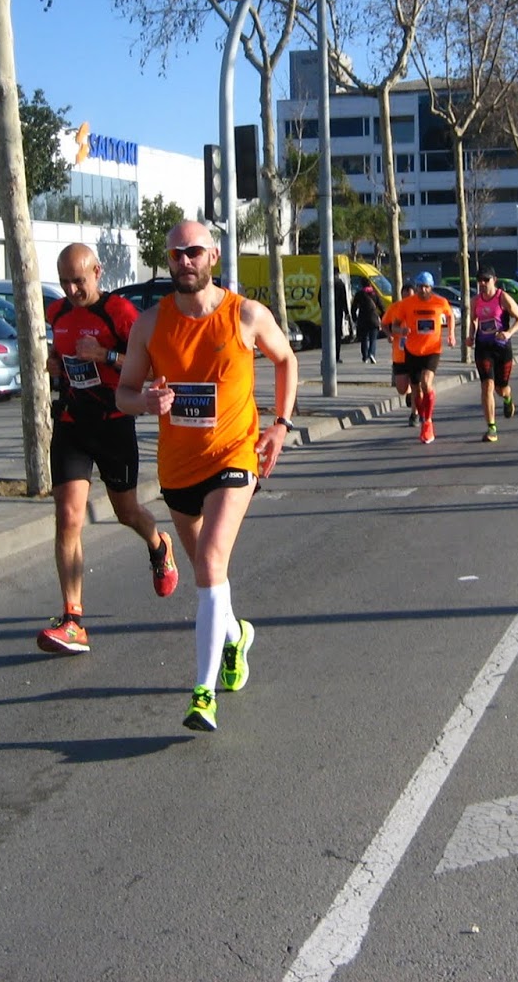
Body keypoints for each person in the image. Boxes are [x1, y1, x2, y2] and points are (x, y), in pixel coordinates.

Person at [114, 220, 298, 732]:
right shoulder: (149, 324)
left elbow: (286, 361)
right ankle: (237, 635)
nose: (183, 262)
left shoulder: (246, 315)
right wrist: (144, 401)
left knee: (212, 560)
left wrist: (280, 427)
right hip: (177, 469)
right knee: (206, 573)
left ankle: (202, 692)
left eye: (193, 252)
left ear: (213, 256)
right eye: (175, 254)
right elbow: (123, 393)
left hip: (235, 457)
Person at [38, 243, 178, 655]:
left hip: (114, 424)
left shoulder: (119, 313)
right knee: (67, 518)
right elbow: (58, 351)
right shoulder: (57, 313)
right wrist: (53, 363)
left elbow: (153, 367)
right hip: (72, 424)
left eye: (78, 280)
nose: (71, 289)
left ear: (97, 272)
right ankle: (73, 619)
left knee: (126, 512)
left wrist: (106, 355)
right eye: (64, 282)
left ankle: (159, 545)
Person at [383, 272, 456, 443]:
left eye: (426, 287)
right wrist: (401, 331)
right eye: (420, 287)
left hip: (432, 349)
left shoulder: (440, 302)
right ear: (416, 287)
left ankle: (428, 422)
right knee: (415, 388)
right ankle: (420, 414)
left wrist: (451, 334)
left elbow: (450, 315)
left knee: (426, 383)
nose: (423, 290)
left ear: (431, 287)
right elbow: (393, 325)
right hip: (412, 350)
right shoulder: (406, 304)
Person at [467, 266, 518, 442]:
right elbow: (473, 320)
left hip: (501, 347)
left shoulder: (503, 297)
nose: (483, 284)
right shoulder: (475, 301)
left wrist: (508, 333)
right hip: (483, 348)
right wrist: (471, 336)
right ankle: (491, 427)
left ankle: (508, 399)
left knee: (501, 389)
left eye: (486, 280)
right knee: (487, 386)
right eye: (480, 281)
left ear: (494, 279)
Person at [388, 281, 417, 424]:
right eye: (405, 297)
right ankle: (409, 394)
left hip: (416, 353)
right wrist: (390, 334)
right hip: (399, 355)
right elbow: (385, 324)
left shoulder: (418, 309)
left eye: (410, 297)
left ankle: (414, 415)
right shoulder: (395, 308)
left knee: (416, 383)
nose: (407, 300)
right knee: (401, 389)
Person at [351, 281, 383, 365]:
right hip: (373, 319)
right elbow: (381, 307)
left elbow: (354, 307)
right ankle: (371, 354)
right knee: (373, 339)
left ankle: (365, 357)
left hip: (362, 319)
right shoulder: (375, 294)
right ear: (371, 285)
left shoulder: (359, 294)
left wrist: (354, 318)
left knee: (364, 339)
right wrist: (383, 319)